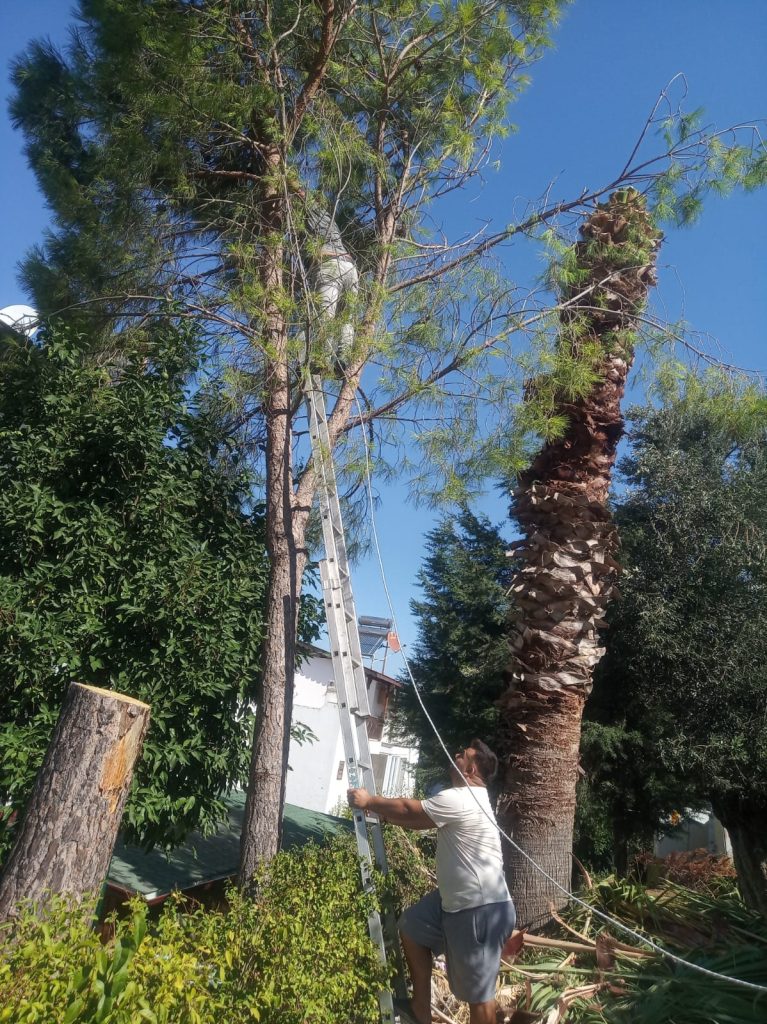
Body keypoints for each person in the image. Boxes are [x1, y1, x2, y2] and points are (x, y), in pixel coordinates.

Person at [347, 739, 515, 1024]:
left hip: (479, 910)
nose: (456, 755)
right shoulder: (469, 801)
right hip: (456, 903)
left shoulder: (463, 797)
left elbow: (410, 809)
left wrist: (369, 801)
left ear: (471, 768)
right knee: (412, 927)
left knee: (480, 1000)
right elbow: (420, 820)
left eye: (461, 755)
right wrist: (383, 815)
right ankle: (420, 1010)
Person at [296, 191, 360, 374]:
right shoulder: (331, 222)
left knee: (326, 313)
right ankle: (343, 358)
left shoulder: (317, 212)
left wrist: (286, 182)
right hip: (350, 268)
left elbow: (301, 193)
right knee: (346, 318)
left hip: (330, 265)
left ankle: (322, 359)